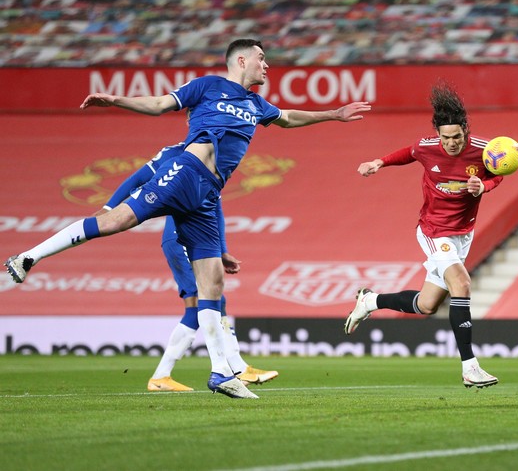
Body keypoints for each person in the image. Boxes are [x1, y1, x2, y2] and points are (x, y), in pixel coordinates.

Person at [5, 38, 371, 399]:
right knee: (113, 223)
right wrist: (116, 100)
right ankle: (27, 258)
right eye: (261, 58)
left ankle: (220, 373)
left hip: (208, 194)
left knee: (212, 284)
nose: (267, 65)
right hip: (186, 172)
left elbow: (288, 117)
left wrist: (333, 115)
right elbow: (160, 104)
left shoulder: (256, 104)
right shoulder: (208, 86)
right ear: (240, 61)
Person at [344, 80, 501, 388]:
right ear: (438, 134)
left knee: (427, 305)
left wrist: (484, 186)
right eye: (446, 137)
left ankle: (370, 301)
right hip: (433, 231)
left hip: (462, 234)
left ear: (465, 132)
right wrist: (379, 162)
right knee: (462, 282)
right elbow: (408, 153)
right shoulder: (428, 148)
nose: (451, 143)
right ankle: (470, 367)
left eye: (457, 137)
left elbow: (499, 173)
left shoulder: (483, 151)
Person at [98, 142, 278, 392]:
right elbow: (138, 177)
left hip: (196, 239)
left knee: (211, 302)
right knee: (202, 302)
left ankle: (166, 376)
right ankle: (233, 368)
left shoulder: (218, 159)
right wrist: (108, 209)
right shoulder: (177, 152)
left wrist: (222, 249)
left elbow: (217, 210)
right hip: (181, 238)